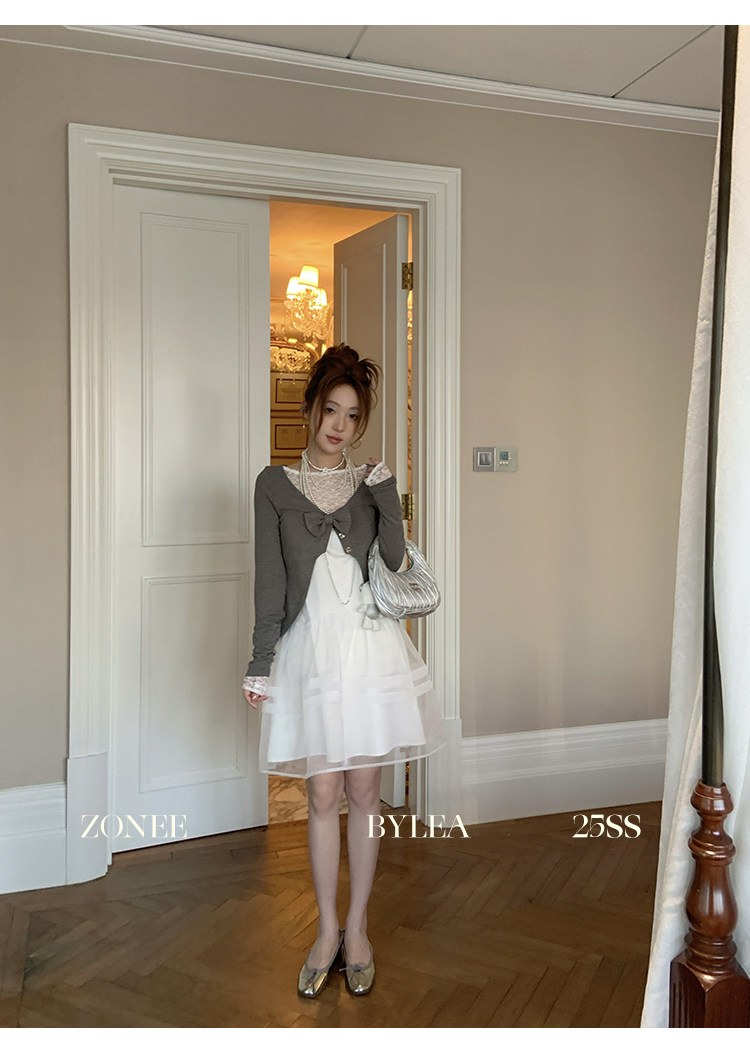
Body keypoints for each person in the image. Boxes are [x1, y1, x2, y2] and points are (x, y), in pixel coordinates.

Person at [242, 343, 445, 998]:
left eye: (352, 415)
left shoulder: (370, 482)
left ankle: (358, 929)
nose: (339, 425)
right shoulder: (273, 485)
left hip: (369, 648)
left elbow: (394, 558)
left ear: (361, 424)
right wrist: (260, 661)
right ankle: (326, 928)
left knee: (363, 792)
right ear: (311, 408)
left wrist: (386, 492)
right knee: (322, 795)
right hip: (310, 651)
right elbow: (270, 582)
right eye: (331, 409)